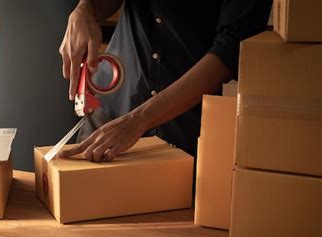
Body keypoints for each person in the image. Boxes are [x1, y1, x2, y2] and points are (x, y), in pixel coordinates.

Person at [58, 0, 272, 162]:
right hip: (112, 111)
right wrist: (85, 9)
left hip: (182, 128)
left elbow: (231, 51)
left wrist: (139, 119)